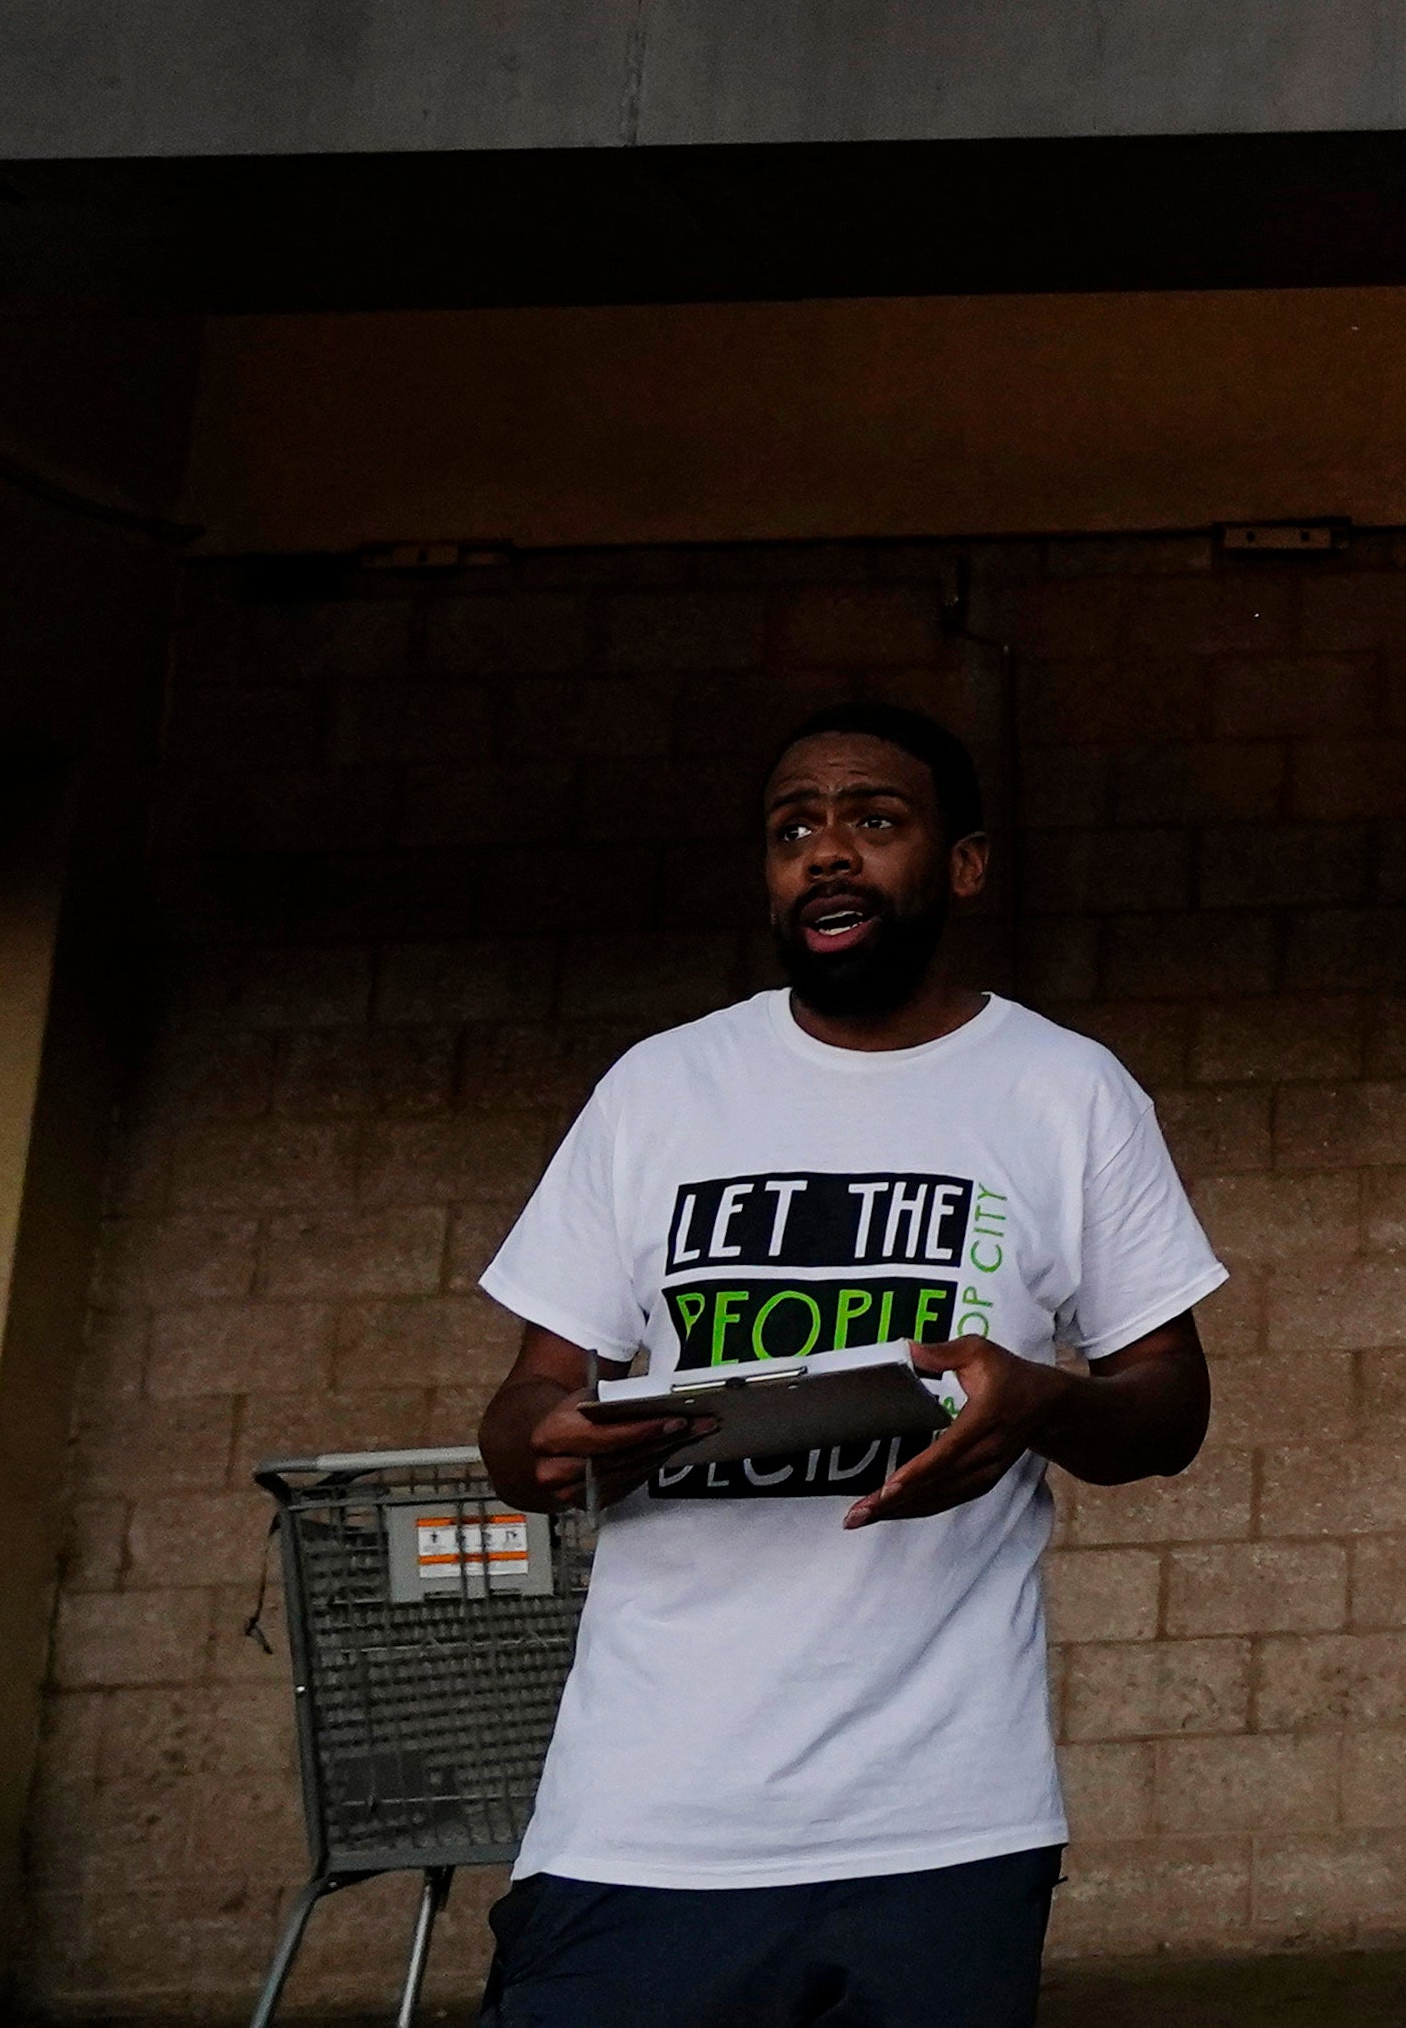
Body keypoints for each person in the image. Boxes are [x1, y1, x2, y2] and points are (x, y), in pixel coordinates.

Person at [471, 705, 1227, 2028]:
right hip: (644, 1816)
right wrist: (554, 1435)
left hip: (940, 1824)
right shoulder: (661, 1088)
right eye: (793, 829)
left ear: (966, 863)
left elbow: (1169, 1404)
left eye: (872, 820)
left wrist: (1044, 1398)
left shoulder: (1064, 1090)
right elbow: (520, 1414)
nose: (826, 852)